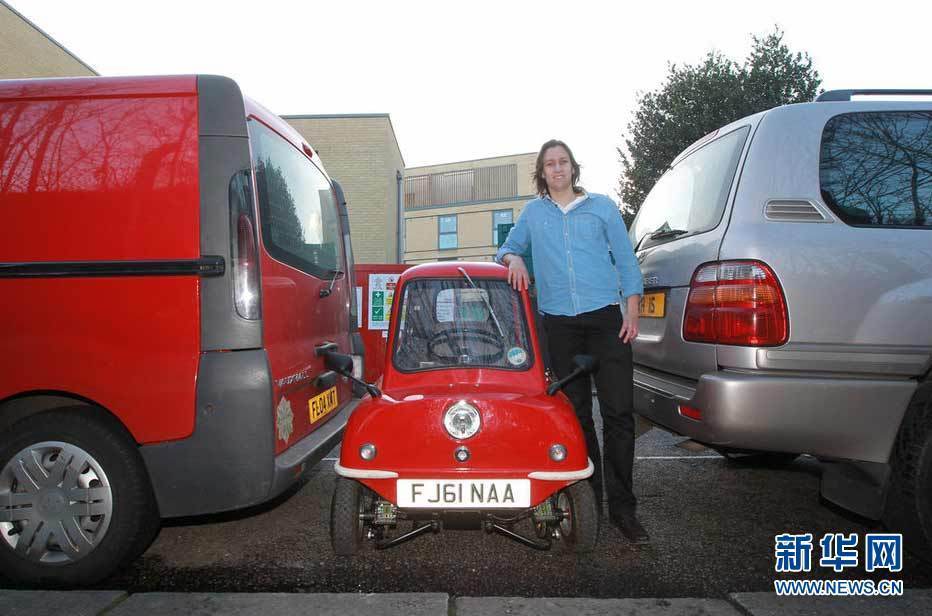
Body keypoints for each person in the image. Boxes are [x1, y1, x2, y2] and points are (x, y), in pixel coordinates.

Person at [495, 139, 647, 542]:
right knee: (577, 417)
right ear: (542, 173)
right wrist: (514, 261)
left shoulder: (601, 207)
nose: (557, 169)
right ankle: (589, 501)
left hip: (606, 321)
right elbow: (507, 249)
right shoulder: (533, 214)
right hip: (559, 325)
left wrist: (631, 309)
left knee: (618, 415)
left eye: (563, 162)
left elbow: (627, 260)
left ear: (573, 168)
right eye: (550, 164)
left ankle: (624, 509)